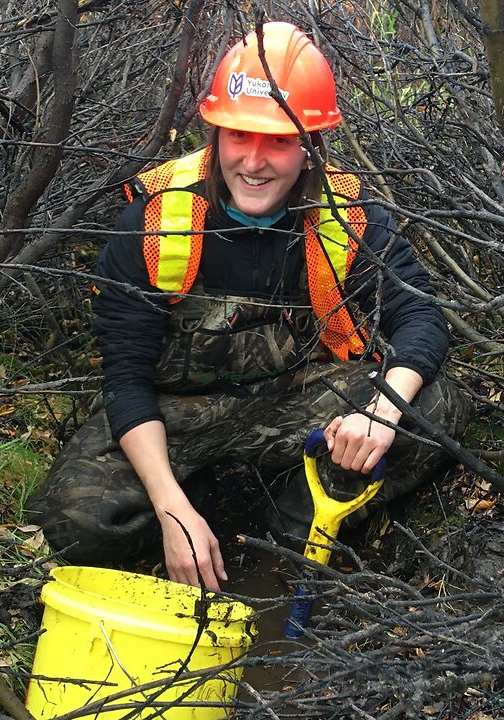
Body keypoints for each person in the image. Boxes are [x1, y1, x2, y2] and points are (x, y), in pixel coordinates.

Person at [26, 21, 470, 590]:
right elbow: (125, 376)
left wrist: (378, 415)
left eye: (280, 141)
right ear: (214, 133)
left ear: (311, 146)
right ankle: (197, 499)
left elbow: (420, 318)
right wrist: (170, 509)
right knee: (78, 522)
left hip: (295, 404)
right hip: (174, 419)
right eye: (239, 136)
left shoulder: (344, 217)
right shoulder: (158, 220)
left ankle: (289, 526)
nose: (255, 162)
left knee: (432, 405)